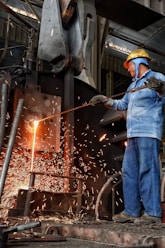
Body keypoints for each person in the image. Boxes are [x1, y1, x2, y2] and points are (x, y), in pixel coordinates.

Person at [89, 49, 165, 223]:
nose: (129, 70)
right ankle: (131, 211)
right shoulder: (132, 86)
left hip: (148, 132)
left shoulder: (158, 78)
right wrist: (104, 100)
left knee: (148, 170)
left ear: (138, 62)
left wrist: (161, 89)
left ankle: (152, 213)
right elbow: (122, 104)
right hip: (132, 135)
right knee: (129, 172)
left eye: (129, 66)